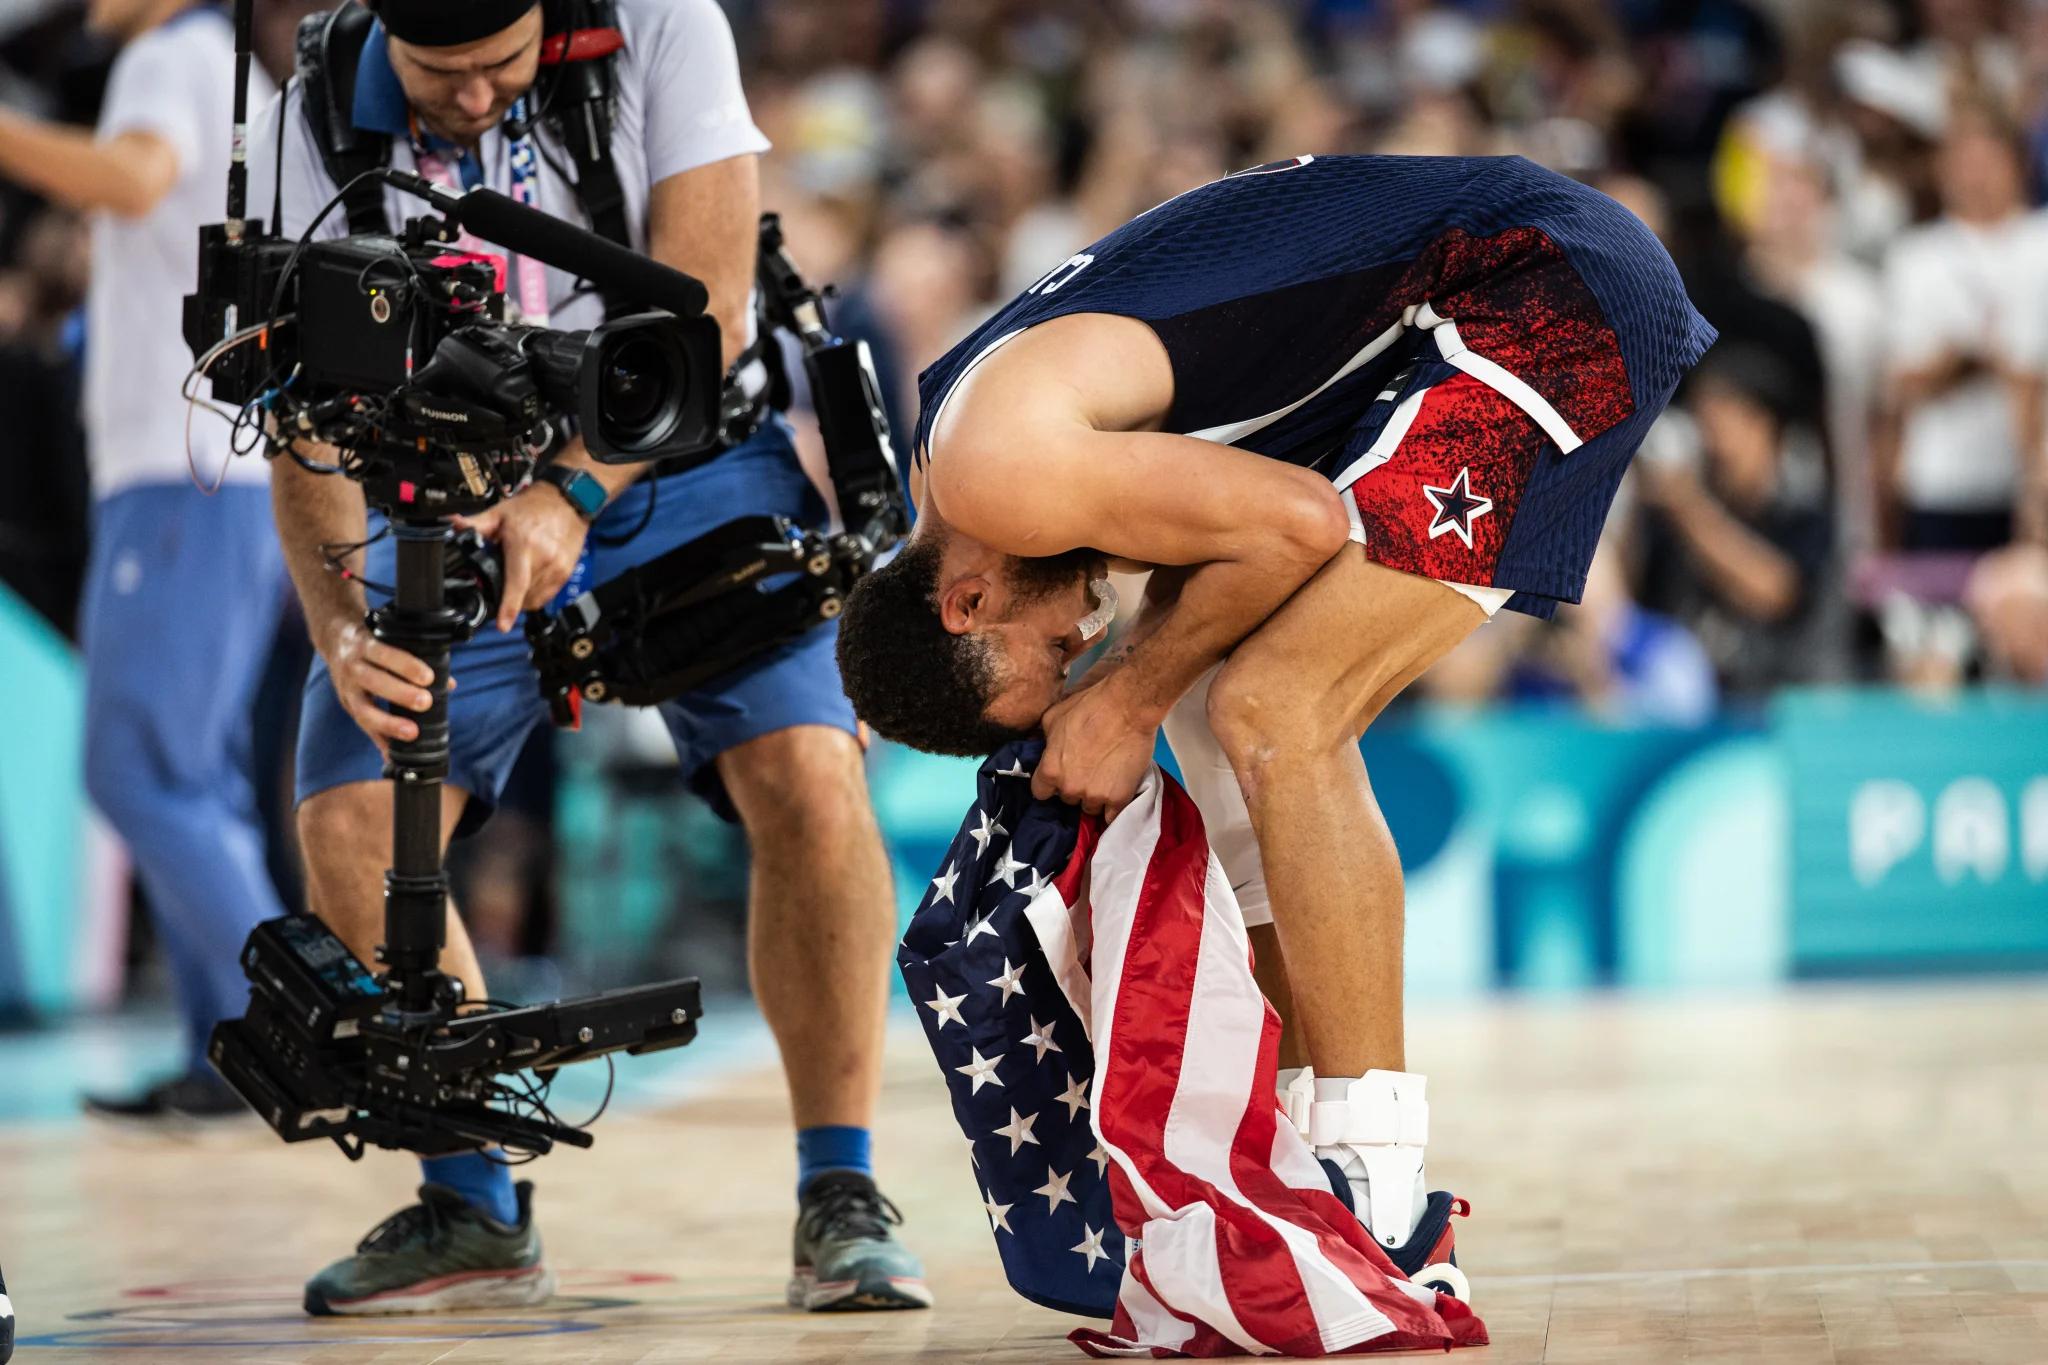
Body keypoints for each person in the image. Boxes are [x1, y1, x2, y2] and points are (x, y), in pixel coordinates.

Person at [836, 153, 1714, 1271]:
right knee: (1216, 712)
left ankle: (1380, 1184)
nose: (1080, 648)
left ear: (964, 603)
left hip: (1541, 290)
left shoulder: (994, 474)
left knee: (1273, 706)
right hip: (1449, 314)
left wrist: (1124, 697)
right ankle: (1299, 1131)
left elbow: (1295, 523)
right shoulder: (964, 466)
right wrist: (1151, 690)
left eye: (1053, 654)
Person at [248, 0, 925, 1317]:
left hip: (683, 456)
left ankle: (840, 1186)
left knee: (811, 773)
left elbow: (712, 308)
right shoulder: (313, 115)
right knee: (347, 824)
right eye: (439, 77)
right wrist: (337, 619)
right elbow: (301, 406)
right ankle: (475, 1201)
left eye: (500, 67)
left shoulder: (665, 24)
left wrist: (569, 491)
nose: (473, 96)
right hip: (444, 493)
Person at [0, 0, 287, 1121]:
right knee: (192, 775)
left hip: (182, 474)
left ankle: (289, 1031)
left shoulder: (177, 55)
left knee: (138, 771)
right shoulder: (212, 63)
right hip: (201, 475)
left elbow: (129, 179)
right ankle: (232, 1055)